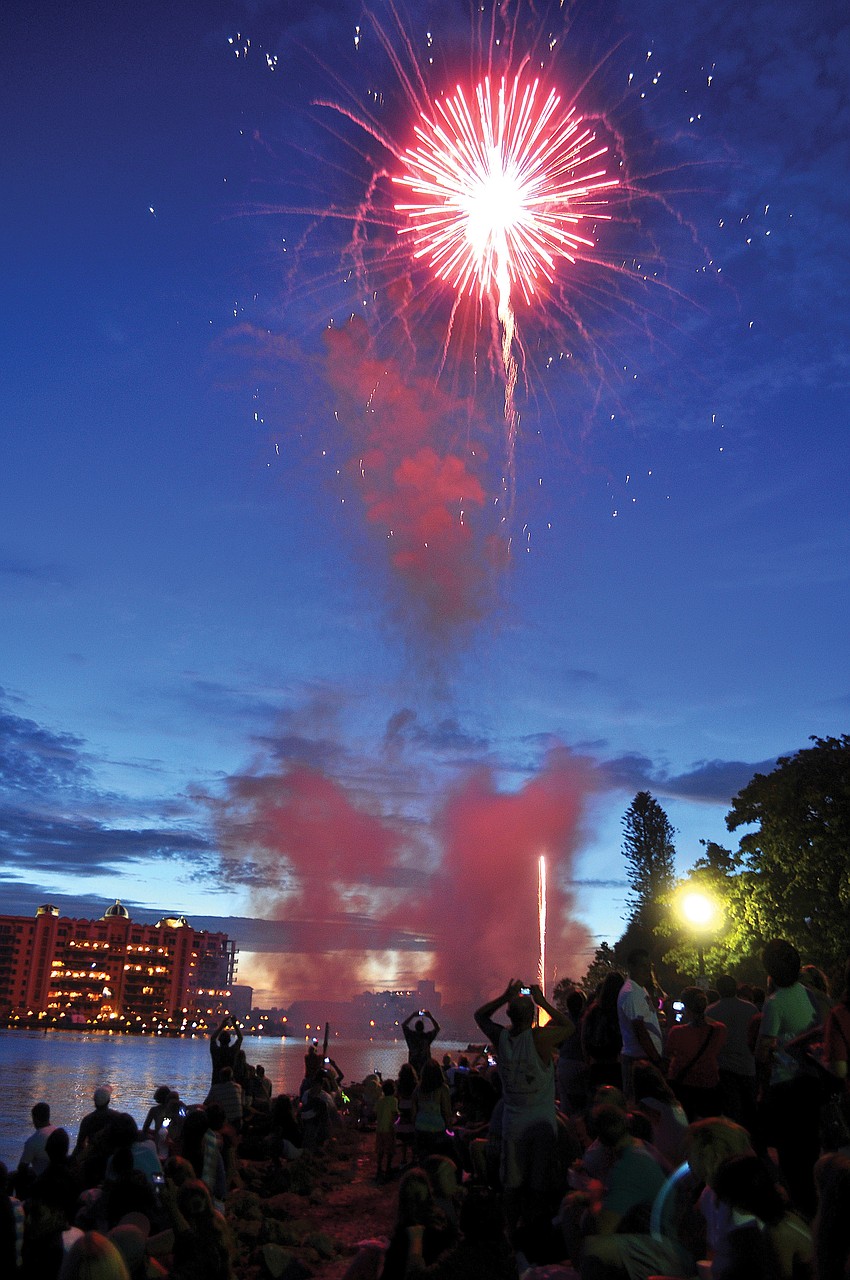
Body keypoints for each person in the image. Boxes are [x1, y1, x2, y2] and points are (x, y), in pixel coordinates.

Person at [474, 979, 572, 1238]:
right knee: (538, 1184)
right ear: (532, 1016)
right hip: (541, 1123)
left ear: (508, 1014)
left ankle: (510, 1233)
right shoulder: (540, 1038)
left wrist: (505, 996)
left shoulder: (501, 1037)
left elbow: (480, 1015)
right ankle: (533, 1233)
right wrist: (543, 1003)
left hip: (513, 1123)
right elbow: (570, 1027)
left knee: (512, 1184)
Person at [757, 937, 822, 1216]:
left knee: (791, 1158)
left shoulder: (774, 1003)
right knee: (811, 1151)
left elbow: (763, 1051)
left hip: (786, 1087)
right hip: (813, 1082)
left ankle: (800, 1213)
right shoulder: (814, 996)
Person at [664, 986, 727, 1120]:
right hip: (708, 1081)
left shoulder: (677, 1032)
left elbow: (668, 1053)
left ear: (685, 1006)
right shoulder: (719, 1029)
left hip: (683, 1084)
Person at [707, 975, 759, 1131]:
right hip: (747, 1065)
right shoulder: (750, 1008)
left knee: (731, 1110)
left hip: (724, 1066)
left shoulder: (711, 1011)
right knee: (750, 1108)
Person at [617, 950, 664, 1099]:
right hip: (639, 1060)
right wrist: (656, 1059)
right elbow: (639, 1029)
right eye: (642, 966)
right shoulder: (631, 992)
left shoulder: (639, 989)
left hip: (643, 1058)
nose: (647, 970)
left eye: (648, 966)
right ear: (631, 967)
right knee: (640, 1103)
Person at [581, 972, 625, 1093]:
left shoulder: (593, 1011)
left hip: (596, 1065)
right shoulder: (621, 1011)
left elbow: (584, 1039)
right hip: (616, 1064)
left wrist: (587, 1061)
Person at [19, 1101, 57, 1178]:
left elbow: (22, 1168)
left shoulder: (32, 1141)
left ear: (34, 1119)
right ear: (48, 1116)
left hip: (43, 1180)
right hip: (59, 1176)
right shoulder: (59, 1133)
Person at [402, 1011, 441, 1077]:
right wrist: (430, 1017)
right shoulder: (427, 1037)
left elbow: (403, 1025)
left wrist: (413, 1015)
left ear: (415, 1027)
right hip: (425, 1069)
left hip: (413, 1068)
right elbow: (437, 1028)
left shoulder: (411, 1036)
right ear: (423, 1028)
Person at [376, 1079, 399, 1182]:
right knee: (390, 1150)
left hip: (379, 1129)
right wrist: (396, 1123)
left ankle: (379, 1167)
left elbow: (375, 1112)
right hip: (389, 1128)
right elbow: (394, 1114)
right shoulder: (394, 1100)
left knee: (380, 1150)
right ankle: (388, 1167)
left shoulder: (380, 1100)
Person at [208, 1019, 242, 1085]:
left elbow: (212, 1039)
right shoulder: (232, 1051)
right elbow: (240, 1038)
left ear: (219, 1040)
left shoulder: (216, 1052)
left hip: (216, 1082)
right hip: (230, 1084)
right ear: (229, 1040)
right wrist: (234, 1024)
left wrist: (221, 1026)